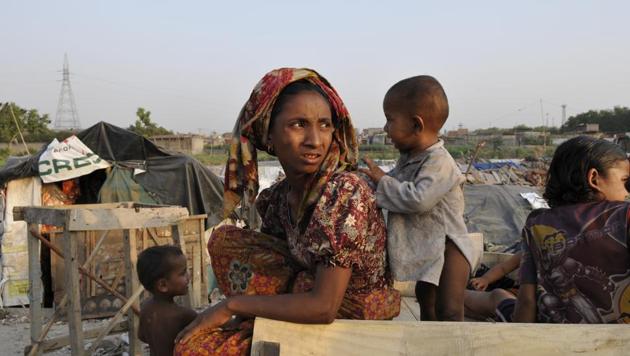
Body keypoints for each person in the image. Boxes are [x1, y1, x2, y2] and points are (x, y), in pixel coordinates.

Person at [175, 68, 400, 355]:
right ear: (268, 133)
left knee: (193, 351)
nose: (315, 140)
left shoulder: (343, 191)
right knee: (224, 240)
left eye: (324, 125)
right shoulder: (278, 198)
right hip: (303, 295)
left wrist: (231, 305)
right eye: (298, 124)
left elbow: (324, 307)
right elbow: (274, 269)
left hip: (351, 313)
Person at [361, 75, 474, 321]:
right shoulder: (410, 158)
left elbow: (418, 199)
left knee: (449, 309)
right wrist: (363, 181)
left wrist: (381, 180)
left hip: (450, 245)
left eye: (390, 120)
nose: (385, 128)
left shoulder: (439, 161)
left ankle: (455, 348)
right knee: (426, 299)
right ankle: (430, 346)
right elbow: (389, 185)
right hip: (430, 247)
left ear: (416, 125)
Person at [513, 136, 630, 323]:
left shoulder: (536, 223)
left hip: (560, 343)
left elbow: (527, 300)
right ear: (594, 178)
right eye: (625, 181)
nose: (627, 192)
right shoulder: (624, 215)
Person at [136, 245, 197, 356]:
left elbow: (142, 336)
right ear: (163, 285)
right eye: (183, 273)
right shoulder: (183, 315)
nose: (189, 276)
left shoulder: (145, 307)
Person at [464, 252, 521, 321]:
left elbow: (528, 300)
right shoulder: (527, 253)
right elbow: (503, 268)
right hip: (516, 294)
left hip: (521, 304)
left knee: (498, 294)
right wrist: (485, 279)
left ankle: (456, 295)